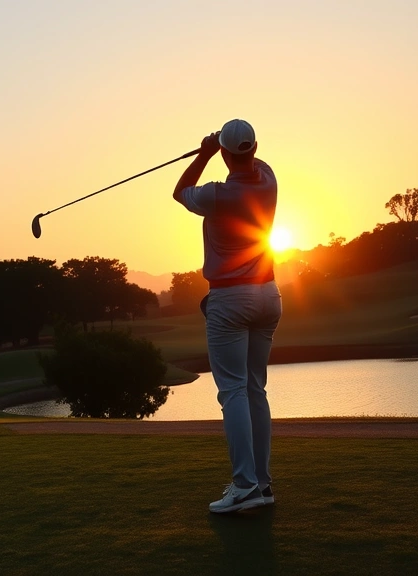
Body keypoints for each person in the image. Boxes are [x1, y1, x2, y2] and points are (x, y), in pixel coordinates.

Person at [172, 119, 282, 513]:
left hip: (230, 300)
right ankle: (262, 485)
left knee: (233, 391)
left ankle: (245, 485)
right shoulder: (267, 178)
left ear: (225, 152)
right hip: (268, 294)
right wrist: (223, 147)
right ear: (254, 148)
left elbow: (180, 191)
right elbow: (247, 159)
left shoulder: (218, 195)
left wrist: (204, 152)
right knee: (255, 389)